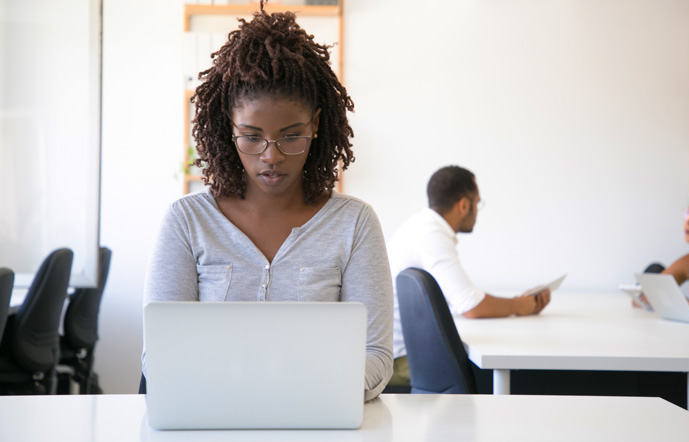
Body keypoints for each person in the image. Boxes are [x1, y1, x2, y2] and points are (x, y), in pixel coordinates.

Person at [141, 3, 393, 401]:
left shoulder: (354, 223)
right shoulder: (187, 221)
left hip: (317, 421)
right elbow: (158, 358)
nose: (271, 156)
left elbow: (376, 357)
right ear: (229, 127)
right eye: (252, 136)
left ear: (316, 125)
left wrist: (291, 392)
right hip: (213, 421)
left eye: (291, 136)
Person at [387, 165, 551, 388]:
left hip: (404, 352)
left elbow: (459, 300)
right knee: (515, 379)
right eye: (477, 203)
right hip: (404, 361)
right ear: (464, 204)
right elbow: (470, 306)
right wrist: (520, 306)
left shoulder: (419, 227)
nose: (476, 211)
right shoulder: (431, 235)